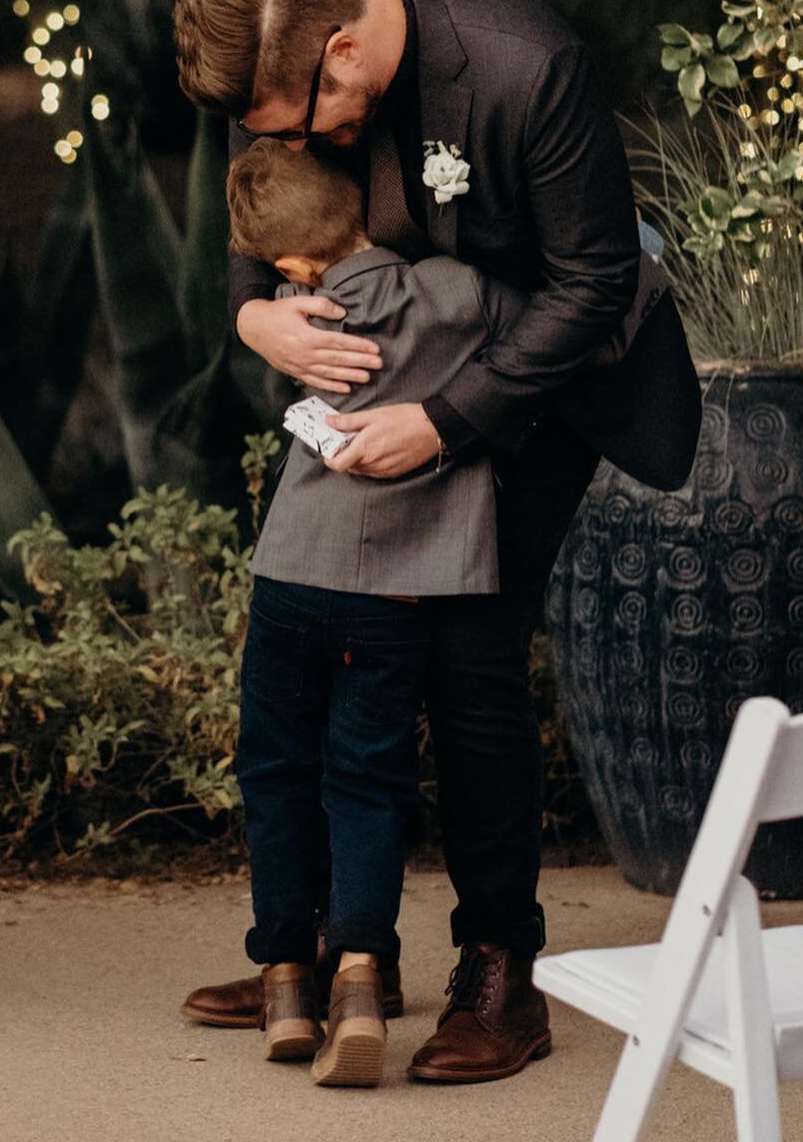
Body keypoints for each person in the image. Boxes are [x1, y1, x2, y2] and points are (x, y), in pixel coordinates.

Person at [173, 0, 700, 1083]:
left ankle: (501, 974)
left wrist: (447, 421)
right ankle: (334, 951)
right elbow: (255, 208)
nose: (297, 144)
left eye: (303, 124)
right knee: (321, 662)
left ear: (345, 56)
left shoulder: (528, 64)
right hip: (382, 372)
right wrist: (257, 316)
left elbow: (592, 284)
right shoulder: (280, 67)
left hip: (537, 388)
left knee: (469, 664)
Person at [223, 138, 664, 1086]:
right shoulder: (455, 291)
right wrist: (643, 248)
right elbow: (573, 307)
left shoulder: (300, 311)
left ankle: (287, 973)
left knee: (274, 768)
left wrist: (263, 308)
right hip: (401, 593)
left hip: (292, 576)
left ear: (291, 265)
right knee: (366, 779)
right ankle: (357, 975)